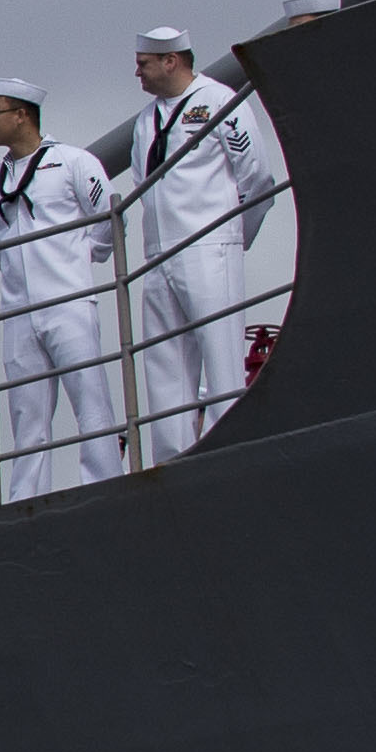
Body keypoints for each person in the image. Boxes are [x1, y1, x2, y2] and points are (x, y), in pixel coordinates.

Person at [116, 25, 279, 462]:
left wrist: (232, 238)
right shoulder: (146, 121)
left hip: (208, 246)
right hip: (159, 254)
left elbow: (257, 179)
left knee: (220, 355)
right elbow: (142, 184)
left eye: (143, 64)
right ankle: (173, 460)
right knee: (164, 364)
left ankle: (230, 451)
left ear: (171, 61)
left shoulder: (219, 102)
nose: (137, 73)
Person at [0, 75, 123, 495]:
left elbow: (108, 221)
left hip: (69, 302)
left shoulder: (75, 162)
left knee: (90, 401)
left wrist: (77, 259)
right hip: (19, 310)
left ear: (22, 115)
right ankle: (27, 499)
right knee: (27, 418)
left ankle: (104, 486)